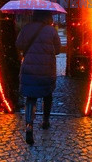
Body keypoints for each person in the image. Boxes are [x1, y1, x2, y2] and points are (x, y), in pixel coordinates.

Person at [16, 10, 61, 145]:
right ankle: (45, 121)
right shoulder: (51, 30)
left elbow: (18, 45)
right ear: (47, 17)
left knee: (30, 97)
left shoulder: (26, 28)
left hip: (29, 69)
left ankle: (29, 125)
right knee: (47, 94)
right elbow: (58, 50)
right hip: (47, 69)